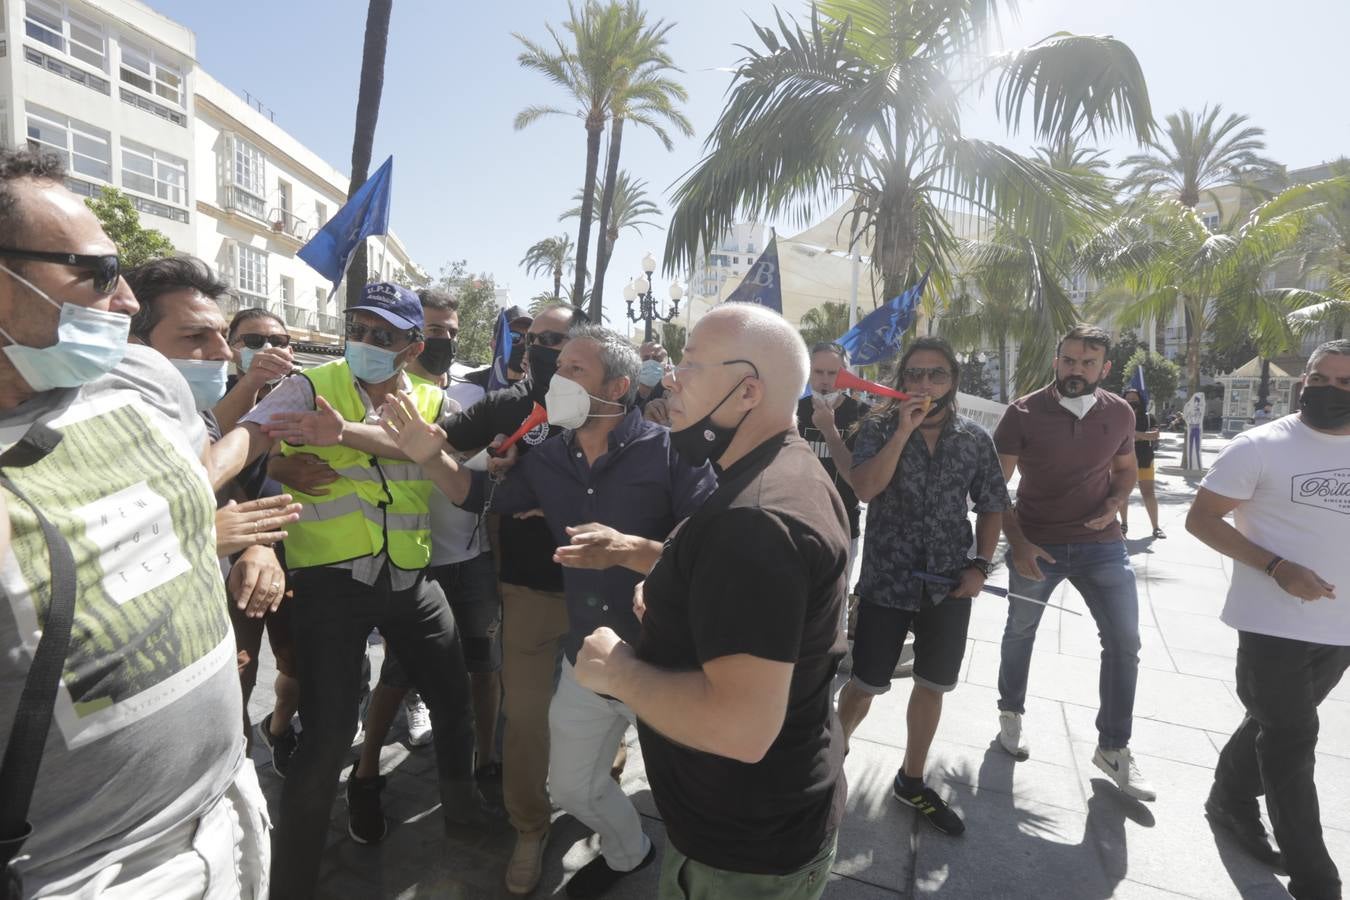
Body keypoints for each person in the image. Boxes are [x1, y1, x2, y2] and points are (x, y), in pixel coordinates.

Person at [0, 145, 269, 896]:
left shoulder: (138, 376)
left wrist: (241, 537)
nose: (124, 303)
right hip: (90, 875)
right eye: (95, 274)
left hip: (232, 814)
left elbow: (192, 484)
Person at [382, 324, 716, 899]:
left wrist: (634, 552)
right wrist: (431, 457)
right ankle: (629, 851)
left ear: (618, 385)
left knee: (693, 799)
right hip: (588, 659)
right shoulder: (550, 457)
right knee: (572, 786)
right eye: (557, 369)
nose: (556, 380)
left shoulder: (671, 452)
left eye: (574, 371)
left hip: (664, 662)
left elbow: (712, 549)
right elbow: (483, 496)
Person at [571, 304, 849, 899]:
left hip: (742, 851)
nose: (670, 378)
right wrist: (646, 561)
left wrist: (618, 671)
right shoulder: (778, 470)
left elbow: (740, 727)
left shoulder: (756, 520)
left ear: (748, 391)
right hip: (756, 826)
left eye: (691, 366)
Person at [234, 282, 487, 897]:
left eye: (383, 335)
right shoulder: (309, 385)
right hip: (331, 588)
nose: (365, 343)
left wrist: (349, 435)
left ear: (411, 345)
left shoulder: (433, 400)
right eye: (358, 329)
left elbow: (459, 481)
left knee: (455, 700)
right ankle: (292, 880)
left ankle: (466, 816)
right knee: (327, 735)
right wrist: (269, 468)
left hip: (412, 582)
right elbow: (245, 444)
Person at [1186, 339, 1350, 900]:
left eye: (1344, 383)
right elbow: (1201, 520)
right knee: (1292, 736)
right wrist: (1276, 566)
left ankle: (1229, 800)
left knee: (1272, 724)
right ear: (1303, 380)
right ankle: (1316, 880)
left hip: (1342, 629)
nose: (1327, 390)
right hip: (1272, 624)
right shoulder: (1260, 446)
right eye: (1319, 378)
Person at [123, 256, 302, 753]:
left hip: (238, 591)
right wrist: (199, 536)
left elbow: (224, 469)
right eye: (196, 337)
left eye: (223, 336)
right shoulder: (86, 425)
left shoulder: (188, 418)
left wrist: (259, 542)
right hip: (142, 687)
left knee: (242, 700)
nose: (222, 352)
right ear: (134, 346)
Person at [836, 338, 1008, 836]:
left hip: (948, 585)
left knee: (933, 684)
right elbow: (865, 488)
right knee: (864, 683)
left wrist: (980, 565)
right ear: (901, 381)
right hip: (887, 580)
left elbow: (992, 503)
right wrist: (902, 430)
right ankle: (829, 768)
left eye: (936, 374)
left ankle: (911, 780)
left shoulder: (974, 438)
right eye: (915, 375)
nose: (925, 384)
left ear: (953, 379)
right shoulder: (878, 427)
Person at [992, 324, 1155, 801]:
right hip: (1036, 542)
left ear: (1104, 368)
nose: (1075, 370)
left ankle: (1114, 748)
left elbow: (1125, 471)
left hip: (1102, 544)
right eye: (1068, 361)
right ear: (1056, 361)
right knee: (1020, 632)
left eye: (1087, 363)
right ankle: (1010, 714)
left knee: (1125, 643)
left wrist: (1115, 502)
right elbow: (993, 487)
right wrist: (1017, 543)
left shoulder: (1120, 412)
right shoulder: (1022, 413)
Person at [796, 342, 867, 623]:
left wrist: (829, 430)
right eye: (819, 372)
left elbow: (858, 481)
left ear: (846, 375)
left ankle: (829, 664)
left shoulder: (863, 415)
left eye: (833, 373)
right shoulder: (792, 410)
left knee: (833, 608)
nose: (825, 381)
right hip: (796, 522)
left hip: (842, 524)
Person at [1119, 388, 1164, 538]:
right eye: (1128, 400)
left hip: (1145, 460)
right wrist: (1143, 435)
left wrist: (1133, 435)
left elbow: (1155, 435)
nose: (1132, 403)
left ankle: (1156, 527)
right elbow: (1119, 437)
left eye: (1135, 400)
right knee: (1123, 494)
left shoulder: (1149, 418)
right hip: (1123, 461)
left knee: (1148, 493)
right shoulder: (1119, 418)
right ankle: (1123, 525)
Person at [466, 305, 531, 389]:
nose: (524, 344)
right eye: (513, 337)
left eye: (529, 338)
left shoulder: (541, 391)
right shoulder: (470, 385)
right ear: (493, 344)